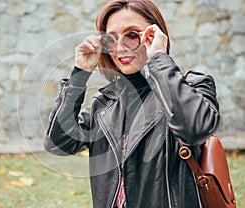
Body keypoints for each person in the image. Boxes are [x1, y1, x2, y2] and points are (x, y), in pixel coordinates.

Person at [44, 0, 220, 207]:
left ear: (156, 35)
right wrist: (79, 74)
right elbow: (58, 144)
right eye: (111, 39)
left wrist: (159, 59)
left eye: (132, 35)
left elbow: (196, 129)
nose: (120, 47)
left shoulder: (191, 86)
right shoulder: (105, 103)